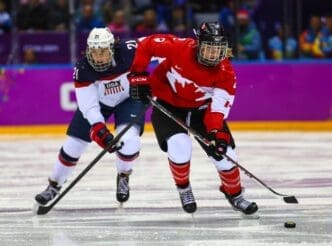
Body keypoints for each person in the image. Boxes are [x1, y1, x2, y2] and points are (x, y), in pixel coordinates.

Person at [128, 22, 258, 215]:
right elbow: (146, 44)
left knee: (226, 155)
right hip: (167, 104)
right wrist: (138, 74)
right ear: (198, 44)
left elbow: (217, 109)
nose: (213, 55)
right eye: (209, 49)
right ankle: (184, 188)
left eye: (218, 50)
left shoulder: (226, 73)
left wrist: (217, 133)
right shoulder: (179, 47)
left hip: (202, 112)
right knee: (179, 147)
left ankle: (235, 194)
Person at [35, 27, 146, 206]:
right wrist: (99, 128)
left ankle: (124, 175)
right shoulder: (83, 68)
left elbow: (161, 46)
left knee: (130, 141)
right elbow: (88, 105)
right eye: (94, 52)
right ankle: (54, 185)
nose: (98, 57)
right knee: (73, 146)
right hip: (99, 104)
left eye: (102, 51)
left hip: (129, 99)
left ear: (112, 48)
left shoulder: (130, 50)